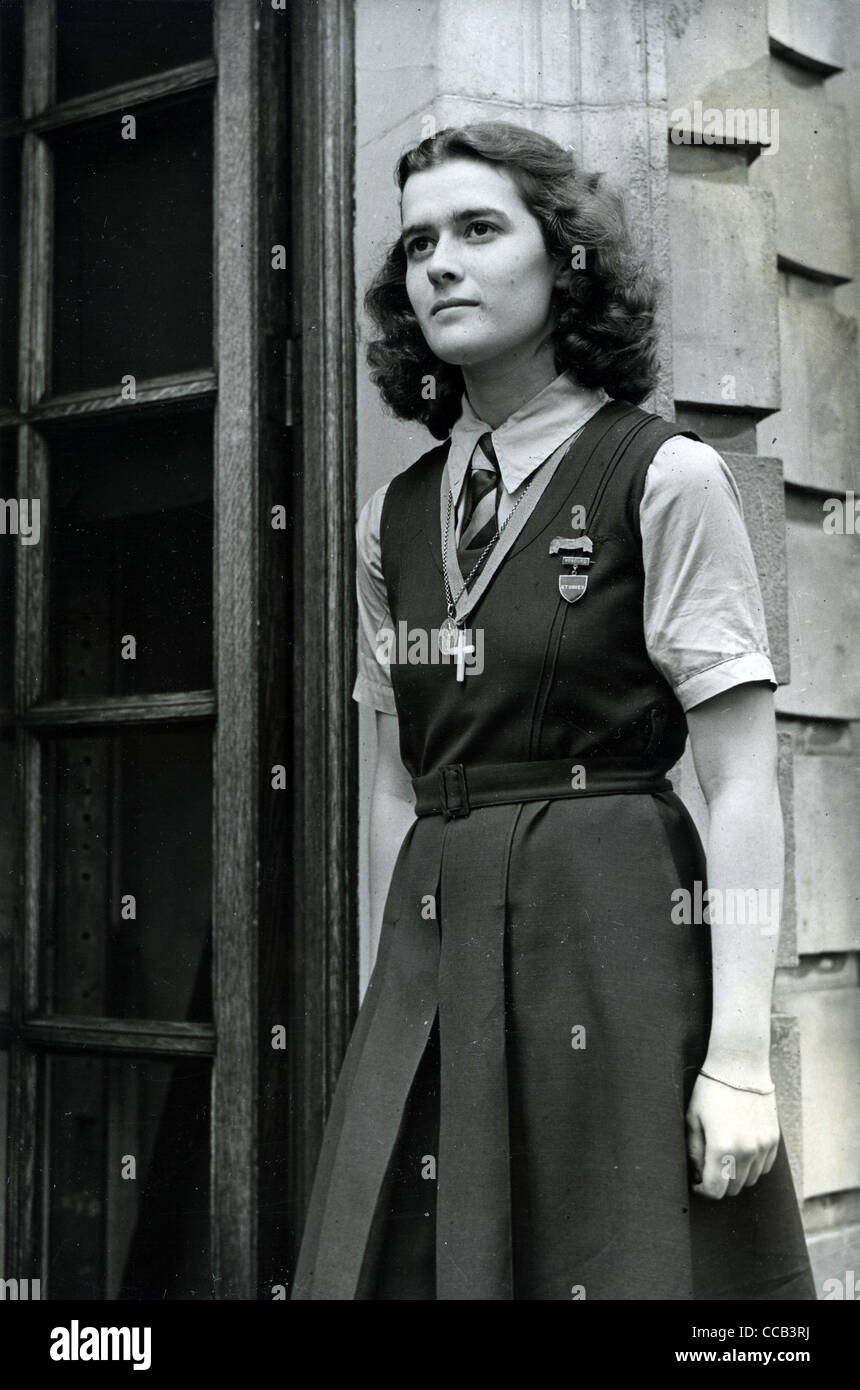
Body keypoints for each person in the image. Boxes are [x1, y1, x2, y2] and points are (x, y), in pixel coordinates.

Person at [292, 122, 816, 1301]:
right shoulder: (392, 516)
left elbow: (739, 779)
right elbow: (393, 777)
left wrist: (737, 1057)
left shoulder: (662, 476)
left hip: (610, 930)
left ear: (562, 256)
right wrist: (395, 1003)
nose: (439, 264)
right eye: (419, 241)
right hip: (440, 942)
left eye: (478, 230)